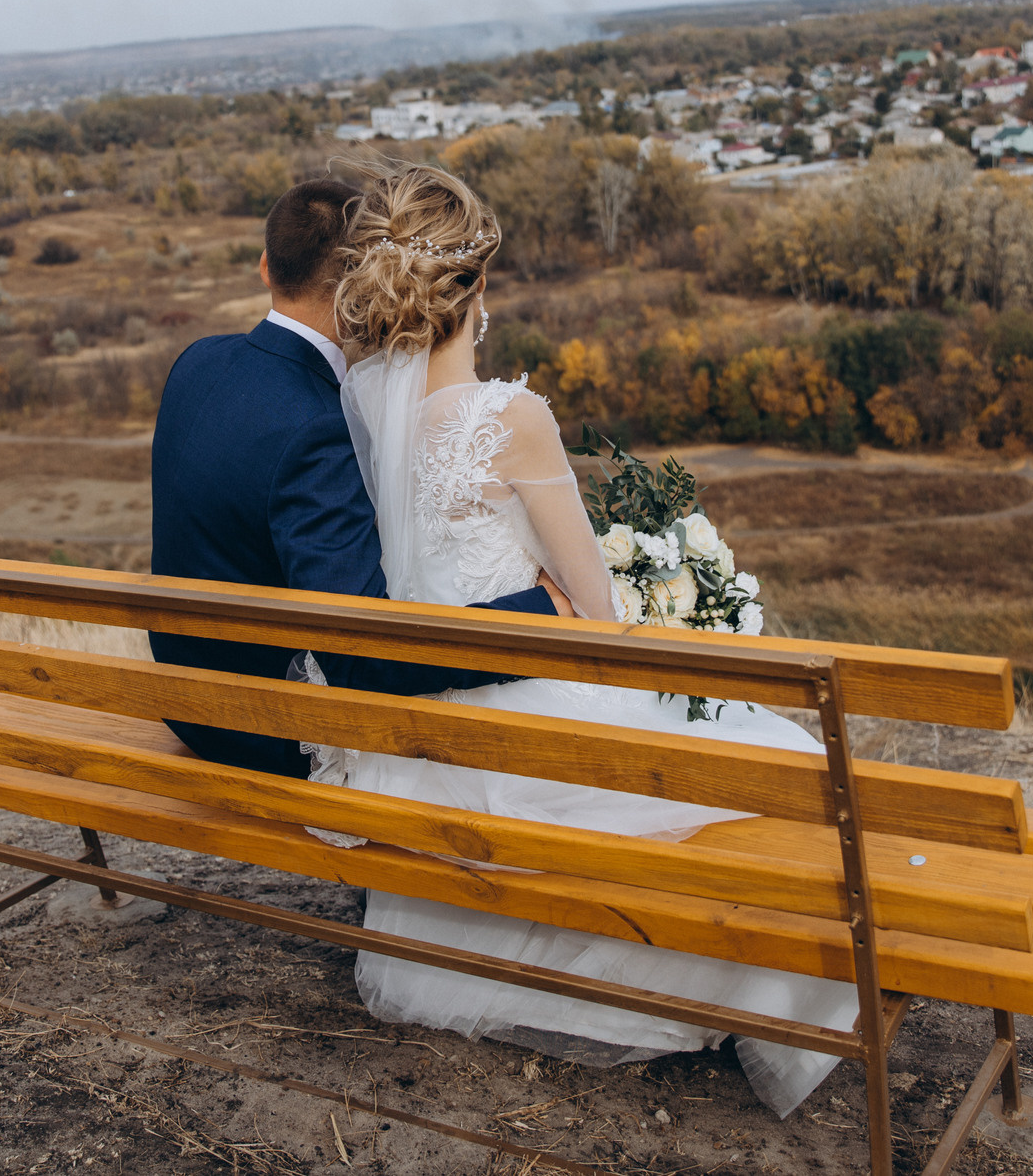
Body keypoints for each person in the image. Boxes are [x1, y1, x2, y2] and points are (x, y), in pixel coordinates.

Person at [311, 157, 857, 1118]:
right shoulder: (511, 418)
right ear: (475, 287)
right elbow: (597, 617)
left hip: (429, 734)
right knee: (777, 755)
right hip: (528, 703)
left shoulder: (359, 415)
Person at [147, 177, 563, 777]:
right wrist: (540, 613)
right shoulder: (317, 427)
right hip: (263, 725)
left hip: (179, 695)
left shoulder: (198, 362)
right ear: (361, 285)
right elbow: (358, 658)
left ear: (267, 267)